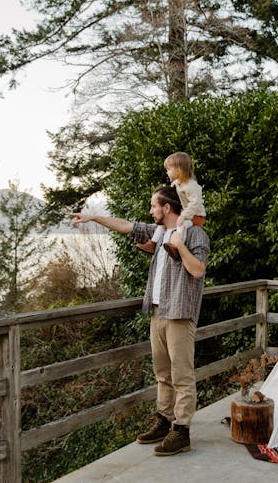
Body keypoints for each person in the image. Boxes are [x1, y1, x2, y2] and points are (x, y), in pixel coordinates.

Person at [70, 185, 210, 456]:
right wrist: (92, 218)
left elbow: (198, 269)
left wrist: (179, 246)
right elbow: (124, 225)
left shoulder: (194, 233)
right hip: (157, 312)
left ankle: (182, 432)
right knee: (162, 374)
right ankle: (164, 420)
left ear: (167, 208)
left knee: (182, 376)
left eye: (153, 206)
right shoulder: (158, 233)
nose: (150, 210)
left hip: (179, 314)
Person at [137, 152, 206, 261]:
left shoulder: (192, 186)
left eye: (169, 169)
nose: (167, 172)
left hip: (196, 216)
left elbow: (195, 203)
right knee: (163, 224)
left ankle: (177, 246)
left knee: (181, 225)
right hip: (186, 214)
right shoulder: (177, 183)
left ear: (179, 169)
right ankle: (153, 244)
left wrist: (183, 216)